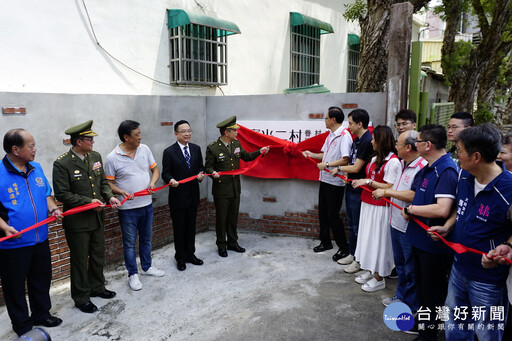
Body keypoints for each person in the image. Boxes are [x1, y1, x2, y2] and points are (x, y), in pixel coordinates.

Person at [431, 124, 512, 340]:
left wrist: (508, 247)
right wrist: (448, 226)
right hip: (459, 269)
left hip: (486, 280)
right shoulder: (465, 177)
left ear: (476, 157)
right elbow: (463, 207)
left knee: (487, 332)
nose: (456, 155)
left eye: (459, 150)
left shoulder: (509, 190)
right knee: (455, 325)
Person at [53, 120, 121, 314]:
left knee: (98, 255)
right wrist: (88, 202)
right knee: (80, 260)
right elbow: (62, 194)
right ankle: (81, 297)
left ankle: (97, 287)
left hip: (98, 218)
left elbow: (102, 184)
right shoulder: (62, 163)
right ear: (78, 141)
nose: (92, 142)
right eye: (89, 139)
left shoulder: (95, 156)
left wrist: (110, 197)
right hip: (78, 222)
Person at [0, 129, 63, 336]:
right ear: (15, 149)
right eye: (31, 146)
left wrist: (53, 208)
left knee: (41, 279)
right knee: (15, 287)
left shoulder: (36, 167)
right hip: (13, 244)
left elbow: (46, 194)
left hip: (40, 238)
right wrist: (4, 226)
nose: (35, 150)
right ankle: (23, 326)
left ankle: (41, 314)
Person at [401, 124, 458, 340]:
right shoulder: (428, 167)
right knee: (423, 288)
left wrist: (412, 209)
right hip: (419, 239)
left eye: (417, 141)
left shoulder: (447, 170)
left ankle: (429, 333)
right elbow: (419, 195)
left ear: (428, 145)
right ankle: (423, 321)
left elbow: (442, 208)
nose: (414, 145)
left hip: (433, 244)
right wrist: (412, 210)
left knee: (433, 290)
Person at [104, 120, 164, 291]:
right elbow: (108, 184)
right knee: (129, 243)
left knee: (146, 238)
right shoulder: (112, 157)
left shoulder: (144, 149)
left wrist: (152, 183)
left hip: (146, 204)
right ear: (126, 137)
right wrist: (120, 191)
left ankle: (147, 267)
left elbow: (155, 170)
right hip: (128, 209)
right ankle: (133, 274)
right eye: (136, 134)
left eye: (140, 133)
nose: (140, 137)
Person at [373, 130, 426, 318]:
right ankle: (402, 297)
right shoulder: (404, 163)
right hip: (396, 222)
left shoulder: (421, 167)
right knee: (402, 265)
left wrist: (387, 193)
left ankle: (411, 308)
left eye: (398, 144)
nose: (395, 146)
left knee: (410, 268)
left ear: (409, 147)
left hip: (408, 225)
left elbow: (414, 195)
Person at [205, 116, 269, 257]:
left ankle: (233, 243)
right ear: (226, 132)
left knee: (233, 218)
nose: (237, 132)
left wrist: (260, 151)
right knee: (222, 219)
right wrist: (212, 173)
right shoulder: (213, 147)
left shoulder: (236, 144)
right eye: (234, 131)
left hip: (235, 188)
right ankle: (221, 245)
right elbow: (207, 168)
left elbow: (246, 157)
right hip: (221, 190)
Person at [350, 126, 401, 292]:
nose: (371, 141)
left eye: (374, 139)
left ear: (381, 141)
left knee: (380, 241)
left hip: (381, 207)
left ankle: (380, 277)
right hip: (368, 203)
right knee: (368, 239)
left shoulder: (393, 162)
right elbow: (368, 179)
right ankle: (370, 270)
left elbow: (390, 186)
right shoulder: (374, 159)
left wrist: (367, 182)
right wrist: (361, 181)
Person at [302, 106, 352, 262]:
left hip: (335, 182)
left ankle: (343, 248)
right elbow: (324, 154)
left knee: (332, 215)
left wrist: (328, 164)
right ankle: (325, 242)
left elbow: (346, 159)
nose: (324, 120)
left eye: (325, 117)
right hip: (325, 179)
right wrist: (312, 154)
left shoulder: (344, 136)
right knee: (322, 213)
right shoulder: (331, 135)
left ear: (333, 120)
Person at [330, 109, 374, 274]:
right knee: (351, 223)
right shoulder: (357, 140)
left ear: (359, 123)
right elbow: (353, 164)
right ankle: (353, 253)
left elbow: (357, 167)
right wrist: (346, 174)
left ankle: (359, 259)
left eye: (350, 123)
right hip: (351, 186)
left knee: (356, 226)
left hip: (359, 190)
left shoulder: (366, 142)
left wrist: (338, 168)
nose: (348, 126)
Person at [162, 120, 205, 271]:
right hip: (178, 198)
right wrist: (170, 179)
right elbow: (165, 172)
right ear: (176, 134)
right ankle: (180, 257)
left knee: (191, 227)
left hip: (193, 196)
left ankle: (190, 254)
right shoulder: (169, 152)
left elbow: (200, 166)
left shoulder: (196, 148)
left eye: (189, 130)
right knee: (179, 229)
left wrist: (200, 173)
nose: (187, 134)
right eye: (183, 131)